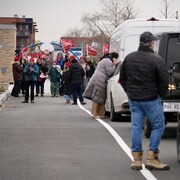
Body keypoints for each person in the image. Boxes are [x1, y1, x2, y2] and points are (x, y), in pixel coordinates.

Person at [119, 31, 169, 170]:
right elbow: (164, 80)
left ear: (140, 42)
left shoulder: (129, 58)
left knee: (136, 127)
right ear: (152, 43)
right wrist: (161, 94)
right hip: (152, 98)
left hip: (134, 99)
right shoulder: (156, 59)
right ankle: (152, 158)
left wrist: (129, 92)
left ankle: (136, 160)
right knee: (158, 126)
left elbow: (122, 79)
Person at [83, 52, 120, 118]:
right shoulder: (108, 61)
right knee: (98, 97)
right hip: (100, 79)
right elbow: (110, 72)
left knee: (100, 97)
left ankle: (100, 114)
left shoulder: (105, 60)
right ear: (114, 58)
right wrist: (114, 64)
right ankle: (95, 113)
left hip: (98, 78)